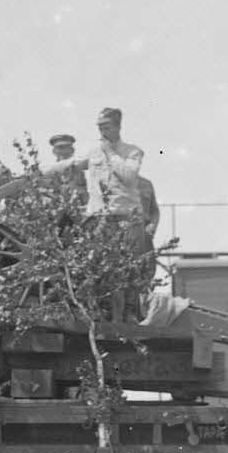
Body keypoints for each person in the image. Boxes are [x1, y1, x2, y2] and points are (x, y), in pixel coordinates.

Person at [85, 107, 148, 321]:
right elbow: (72, 164)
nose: (102, 132)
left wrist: (111, 153)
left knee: (130, 266)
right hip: (101, 218)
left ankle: (130, 313)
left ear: (118, 127)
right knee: (99, 266)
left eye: (107, 127)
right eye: (100, 127)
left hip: (126, 218)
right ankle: (102, 313)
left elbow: (129, 176)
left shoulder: (132, 152)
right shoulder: (94, 152)